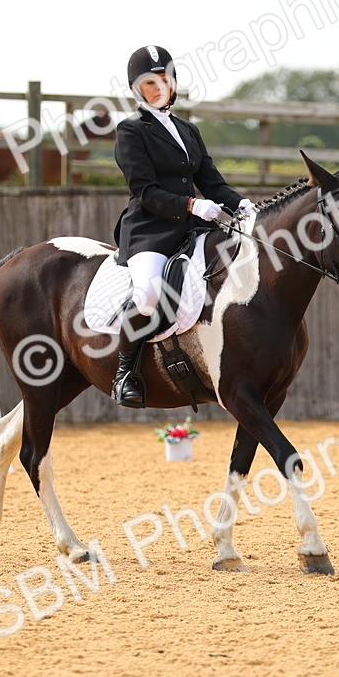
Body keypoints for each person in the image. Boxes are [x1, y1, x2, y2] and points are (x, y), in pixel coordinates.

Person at [110, 44, 253, 408]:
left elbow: (213, 183)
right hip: (150, 230)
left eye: (165, 79)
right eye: (150, 82)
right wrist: (191, 205)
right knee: (147, 295)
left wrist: (243, 204)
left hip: (192, 230)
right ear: (137, 89)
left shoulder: (187, 130)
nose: (160, 88)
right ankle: (125, 373)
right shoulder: (130, 131)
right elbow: (144, 191)